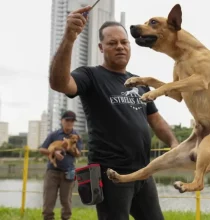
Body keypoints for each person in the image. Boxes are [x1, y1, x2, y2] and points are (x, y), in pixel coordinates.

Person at [48, 6, 179, 220]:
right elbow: (59, 83)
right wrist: (69, 39)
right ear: (101, 47)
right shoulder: (90, 76)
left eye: (124, 42)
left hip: (143, 172)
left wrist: (174, 143)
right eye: (112, 43)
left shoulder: (139, 82)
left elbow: (156, 120)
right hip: (112, 175)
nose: (120, 47)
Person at [39, 110, 83, 220]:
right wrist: (54, 152)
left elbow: (78, 154)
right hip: (52, 172)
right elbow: (42, 149)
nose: (69, 123)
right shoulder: (54, 135)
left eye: (72, 121)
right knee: (48, 201)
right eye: (67, 120)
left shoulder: (77, 136)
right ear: (61, 121)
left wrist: (69, 148)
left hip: (68, 172)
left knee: (66, 201)